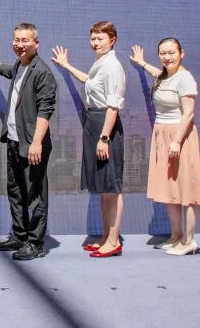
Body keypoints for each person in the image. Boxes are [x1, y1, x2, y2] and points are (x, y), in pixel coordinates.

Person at [0, 22, 57, 261]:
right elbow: (7, 70)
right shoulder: (20, 66)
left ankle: (35, 243)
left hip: (31, 144)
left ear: (36, 43)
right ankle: (20, 236)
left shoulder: (42, 72)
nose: (19, 45)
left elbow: (46, 109)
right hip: (13, 140)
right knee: (16, 191)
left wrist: (36, 143)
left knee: (35, 194)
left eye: (25, 40)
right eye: (16, 40)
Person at [52, 21, 126, 258]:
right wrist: (66, 66)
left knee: (112, 187)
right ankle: (105, 237)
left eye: (100, 38)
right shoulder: (100, 63)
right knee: (104, 187)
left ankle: (113, 241)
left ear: (112, 40)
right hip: (94, 123)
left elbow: (113, 106)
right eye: (93, 38)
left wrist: (104, 137)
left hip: (105, 125)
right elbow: (89, 81)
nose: (95, 43)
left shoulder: (112, 66)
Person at [131, 38, 200, 256]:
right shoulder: (164, 76)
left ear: (181, 54)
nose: (167, 57)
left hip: (179, 135)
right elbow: (158, 73)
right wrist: (142, 63)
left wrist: (177, 140)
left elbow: (188, 113)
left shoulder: (185, 78)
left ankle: (189, 241)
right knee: (169, 188)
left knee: (187, 188)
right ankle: (176, 236)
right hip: (161, 134)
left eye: (171, 53)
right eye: (163, 53)